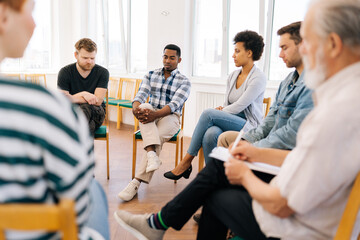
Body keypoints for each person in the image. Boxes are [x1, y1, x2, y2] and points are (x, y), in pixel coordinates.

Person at [113, 0, 360, 239]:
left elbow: (282, 204)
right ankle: (160, 220)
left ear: (333, 44)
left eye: (308, 41)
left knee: (215, 181)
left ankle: (174, 190)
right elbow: (294, 148)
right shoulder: (334, 99)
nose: (304, 50)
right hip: (287, 189)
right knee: (213, 139)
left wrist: (245, 174)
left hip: (293, 224)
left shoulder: (334, 111)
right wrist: (251, 152)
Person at [0, 1, 109, 239]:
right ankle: (82, 154)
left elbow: (92, 100)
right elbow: (76, 212)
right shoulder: (41, 106)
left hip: (90, 111)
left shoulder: (50, 105)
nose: (34, 24)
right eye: (30, 12)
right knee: (93, 189)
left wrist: (73, 98)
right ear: (3, 14)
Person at [164, 30, 267, 181]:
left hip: (248, 125)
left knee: (208, 113)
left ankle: (186, 162)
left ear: (250, 53)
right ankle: (213, 177)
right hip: (232, 119)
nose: (233, 55)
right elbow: (228, 104)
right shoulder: (233, 76)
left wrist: (221, 111)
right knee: (211, 133)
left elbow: (239, 106)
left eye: (237, 51)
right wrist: (223, 110)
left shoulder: (258, 78)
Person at [218, 21, 313, 151]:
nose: (280, 55)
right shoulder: (286, 82)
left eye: (284, 48)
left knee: (209, 115)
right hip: (268, 139)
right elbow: (269, 122)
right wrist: (247, 140)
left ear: (303, 46)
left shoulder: (312, 85)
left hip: (282, 150)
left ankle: (188, 164)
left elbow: (290, 135)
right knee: (223, 137)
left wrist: (254, 147)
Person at [118, 44, 191, 201]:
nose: (168, 60)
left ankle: (136, 182)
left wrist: (155, 115)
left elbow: (174, 105)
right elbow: (140, 94)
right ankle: (152, 156)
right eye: (165, 57)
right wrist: (135, 109)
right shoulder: (151, 75)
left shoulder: (184, 81)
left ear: (179, 60)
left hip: (170, 116)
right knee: (143, 106)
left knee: (156, 135)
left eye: (172, 58)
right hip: (150, 114)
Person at [57, 38, 109, 136]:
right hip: (73, 112)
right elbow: (63, 99)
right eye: (85, 58)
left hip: (96, 111)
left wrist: (72, 98)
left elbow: (97, 101)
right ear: (76, 55)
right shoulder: (65, 72)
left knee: (85, 108)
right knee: (88, 124)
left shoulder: (103, 72)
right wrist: (84, 94)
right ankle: (83, 148)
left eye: (92, 58)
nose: (89, 61)